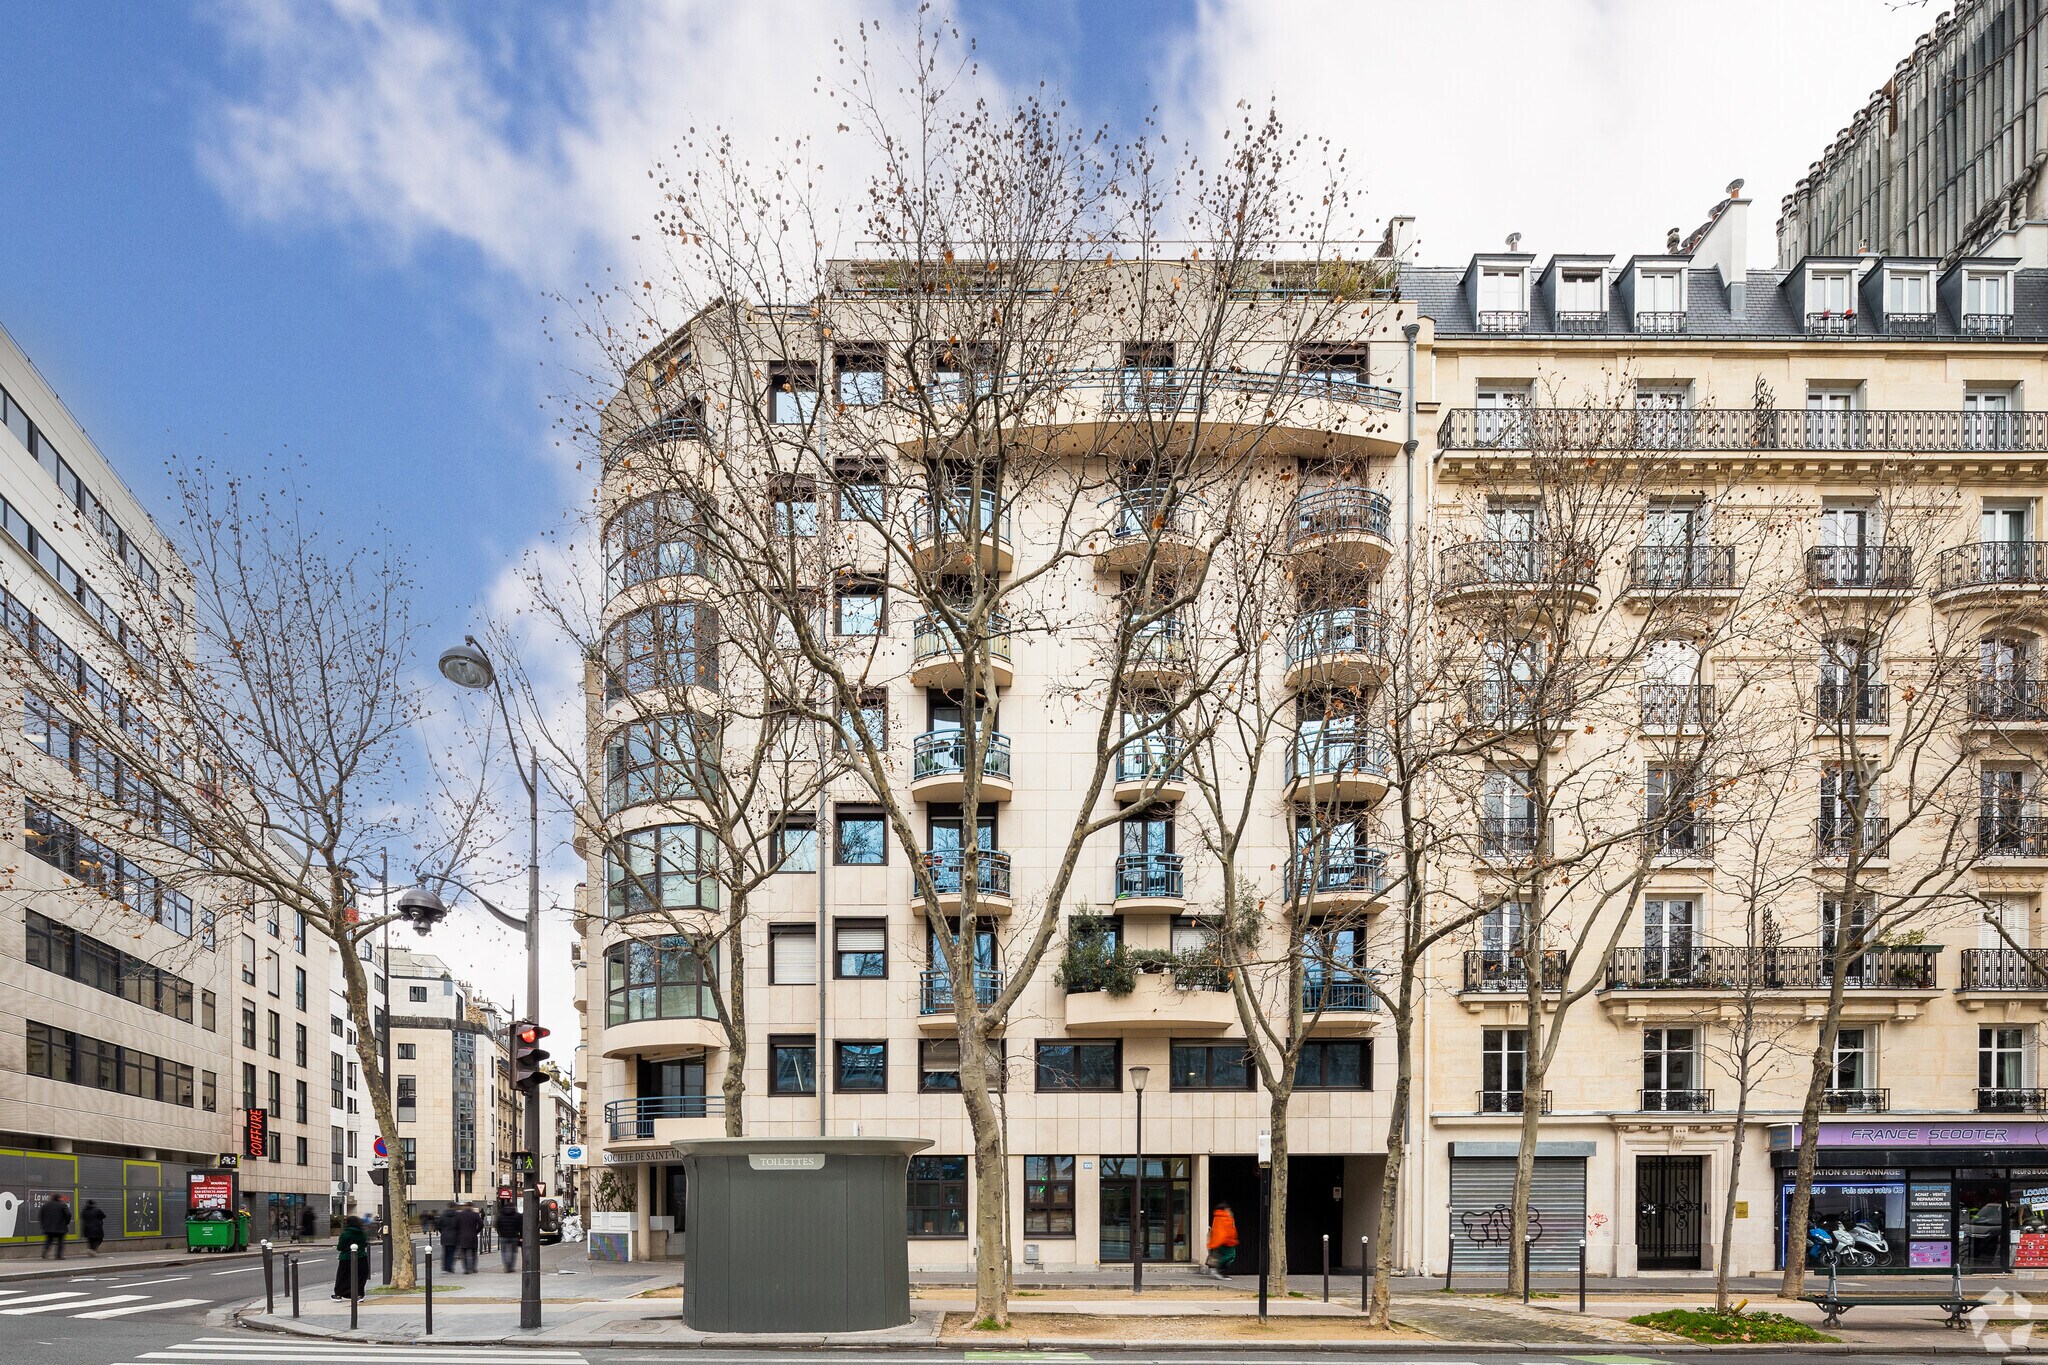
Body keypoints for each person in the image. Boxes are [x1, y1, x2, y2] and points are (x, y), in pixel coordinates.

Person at [332, 1215, 369, 1300]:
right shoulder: (362, 1233)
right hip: (361, 1257)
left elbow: (340, 1247)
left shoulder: (345, 1234)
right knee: (360, 1277)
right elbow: (365, 1244)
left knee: (343, 1276)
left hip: (346, 1258)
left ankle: (339, 1294)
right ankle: (359, 1294)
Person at [1206, 1201, 1238, 1280]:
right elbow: (1224, 1231)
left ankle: (1219, 1270)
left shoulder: (1220, 1217)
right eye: (1227, 1209)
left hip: (1225, 1242)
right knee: (1228, 1257)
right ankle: (1219, 1270)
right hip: (1226, 1242)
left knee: (1227, 1256)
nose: (1229, 1210)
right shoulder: (1224, 1217)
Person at [37, 1194, 71, 1259]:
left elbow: (41, 1216)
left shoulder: (45, 1205)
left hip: (48, 1227)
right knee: (60, 1241)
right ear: (59, 1198)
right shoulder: (62, 1205)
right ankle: (58, 1255)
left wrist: (44, 1225)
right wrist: (66, 1222)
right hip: (60, 1227)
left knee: (49, 1240)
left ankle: (45, 1250)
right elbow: (68, 1215)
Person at [453, 1201, 483, 1274]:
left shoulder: (460, 1215)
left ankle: (466, 1269)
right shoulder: (475, 1215)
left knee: (464, 1253)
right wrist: (476, 1231)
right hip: (473, 1235)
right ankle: (473, 1267)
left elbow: (456, 1225)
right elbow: (481, 1224)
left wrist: (459, 1232)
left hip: (462, 1236)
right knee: (473, 1253)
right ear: (472, 1207)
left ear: (465, 1207)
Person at [494, 1200, 522, 1273]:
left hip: (503, 1236)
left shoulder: (500, 1215)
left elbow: (497, 1225)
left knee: (504, 1252)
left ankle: (506, 1265)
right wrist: (520, 1235)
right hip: (514, 1236)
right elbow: (521, 1226)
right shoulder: (518, 1215)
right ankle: (511, 1266)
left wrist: (500, 1233)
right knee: (513, 1252)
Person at [439, 1205, 461, 1274]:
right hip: (454, 1237)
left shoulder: (443, 1215)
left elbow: (439, 1225)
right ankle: (450, 1267)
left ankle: (445, 1267)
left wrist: (442, 1232)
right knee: (452, 1253)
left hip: (445, 1236)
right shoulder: (457, 1216)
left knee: (445, 1252)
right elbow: (459, 1226)